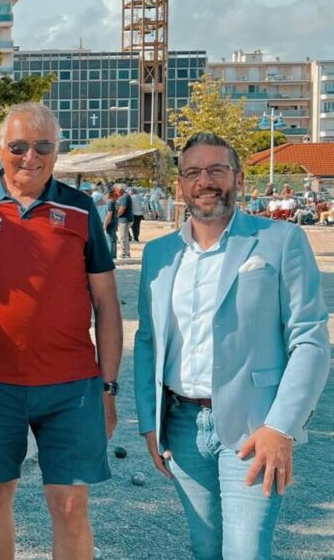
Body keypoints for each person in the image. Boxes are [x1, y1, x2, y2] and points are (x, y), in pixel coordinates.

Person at [134, 132, 330, 560]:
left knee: (245, 551)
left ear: (238, 179)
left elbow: (311, 340)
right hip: (182, 427)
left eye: (217, 170)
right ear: (180, 185)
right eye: (193, 172)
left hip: (254, 427)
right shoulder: (159, 254)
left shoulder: (281, 241)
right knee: (205, 549)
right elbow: (148, 339)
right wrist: (150, 422)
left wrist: (281, 427)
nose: (206, 181)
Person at [0, 103, 122, 559]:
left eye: (43, 146)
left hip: (73, 386)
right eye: (19, 146)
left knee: (69, 504)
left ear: (57, 151)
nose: (31, 157)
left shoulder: (82, 208)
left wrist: (108, 386)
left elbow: (106, 303)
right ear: (1, 150)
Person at [115, 184, 133, 258]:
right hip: (125, 219)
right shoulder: (125, 196)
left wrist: (116, 216)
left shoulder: (124, 197)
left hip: (124, 219)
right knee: (125, 236)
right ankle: (127, 252)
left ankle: (124, 252)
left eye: (117, 190)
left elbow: (122, 208)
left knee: (123, 237)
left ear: (120, 190)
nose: (116, 192)